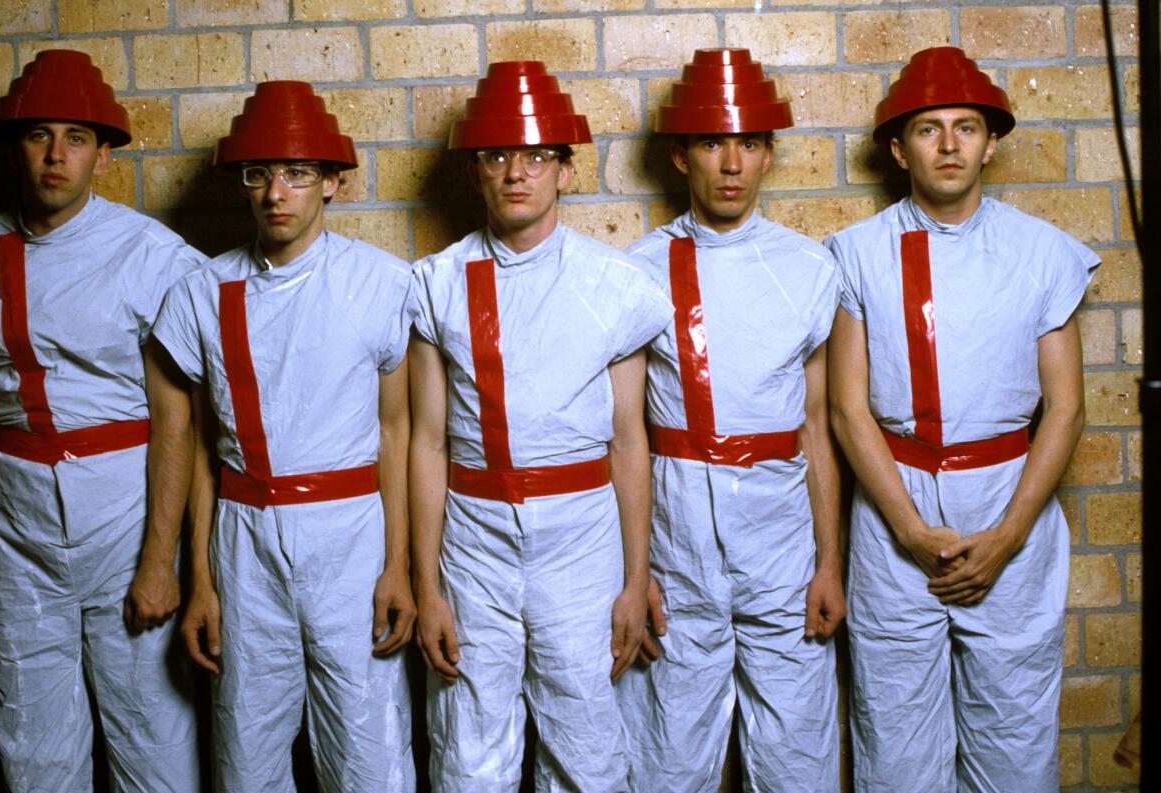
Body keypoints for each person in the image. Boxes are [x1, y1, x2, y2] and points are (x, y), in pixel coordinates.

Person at [825, 46, 1097, 792]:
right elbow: (848, 409)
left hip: (1010, 496)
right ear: (896, 146)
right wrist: (910, 529)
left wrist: (1008, 535)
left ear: (992, 140)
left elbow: (1066, 408)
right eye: (929, 129)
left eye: (967, 126)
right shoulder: (857, 253)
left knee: (1012, 736)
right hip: (894, 504)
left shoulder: (1043, 254)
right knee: (896, 740)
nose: (949, 145)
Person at [409, 60, 672, 792]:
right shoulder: (438, 282)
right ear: (475, 170)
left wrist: (634, 575)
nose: (516, 173)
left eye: (535, 156)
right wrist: (427, 585)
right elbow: (427, 443)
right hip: (474, 531)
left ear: (564, 167)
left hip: (580, 532)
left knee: (585, 737)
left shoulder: (615, 286)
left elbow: (629, 441)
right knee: (468, 745)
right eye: (497, 156)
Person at [151, 81, 416, 792]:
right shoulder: (203, 291)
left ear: (332, 182)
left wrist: (399, 565)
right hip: (244, 537)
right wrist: (200, 579)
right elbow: (206, 451)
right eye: (259, 173)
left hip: (350, 533)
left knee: (367, 748)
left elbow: (396, 432)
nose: (277, 193)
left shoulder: (381, 284)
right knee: (246, 748)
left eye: (298, 173)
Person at [0, 49, 202, 792]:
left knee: (150, 736)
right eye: (39, 136)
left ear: (104, 153)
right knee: (31, 741)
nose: (56, 154)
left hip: (124, 508)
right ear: (14, 148)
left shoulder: (152, 255)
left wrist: (162, 558)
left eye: (75, 137)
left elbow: (178, 420)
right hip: (14, 514)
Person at [617, 49, 844, 792]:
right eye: (713, 143)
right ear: (680, 155)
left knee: (797, 750)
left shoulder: (809, 269)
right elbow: (630, 435)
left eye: (748, 143)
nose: (731, 163)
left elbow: (817, 423)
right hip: (679, 532)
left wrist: (830, 563)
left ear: (769, 153)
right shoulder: (641, 269)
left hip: (782, 535)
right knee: (670, 751)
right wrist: (637, 568)